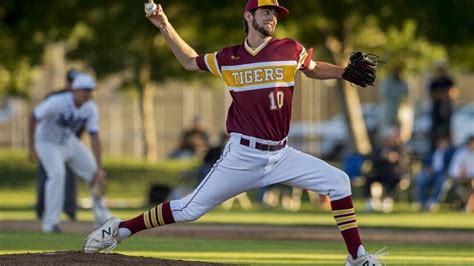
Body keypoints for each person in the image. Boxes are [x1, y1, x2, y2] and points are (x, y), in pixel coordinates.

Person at [83, 1, 384, 265]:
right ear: (248, 16)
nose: (272, 18)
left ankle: (357, 258)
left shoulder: (289, 48)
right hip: (242, 155)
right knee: (189, 210)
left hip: (281, 154)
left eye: (275, 13)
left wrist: (343, 71)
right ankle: (119, 229)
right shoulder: (230, 58)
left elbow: (313, 66)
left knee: (339, 181)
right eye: (265, 12)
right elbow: (190, 61)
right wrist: (164, 24)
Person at [28, 73, 111, 233]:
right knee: (57, 174)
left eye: (90, 90)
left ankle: (103, 219)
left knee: (95, 173)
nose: (88, 94)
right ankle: (50, 223)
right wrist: (31, 148)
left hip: (68, 141)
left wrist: (100, 168)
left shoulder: (91, 107)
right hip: (46, 141)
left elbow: (95, 136)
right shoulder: (57, 102)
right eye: (85, 90)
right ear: (74, 90)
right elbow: (33, 116)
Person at [36, 69, 81, 221]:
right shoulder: (54, 97)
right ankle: (42, 211)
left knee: (69, 179)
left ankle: (71, 212)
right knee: (49, 177)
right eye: (71, 82)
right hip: (49, 143)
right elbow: (39, 119)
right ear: (67, 82)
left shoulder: (82, 99)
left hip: (68, 144)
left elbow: (83, 124)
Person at [414, 135, 456, 211]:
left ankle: (433, 201)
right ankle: (421, 201)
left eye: (444, 143)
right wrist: (428, 169)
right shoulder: (432, 152)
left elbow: (451, 166)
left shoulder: (450, 154)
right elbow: (426, 163)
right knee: (421, 178)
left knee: (440, 180)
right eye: (441, 143)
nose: (443, 145)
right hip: (431, 172)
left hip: (442, 173)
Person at [428, 61, 458, 151]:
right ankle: (434, 149)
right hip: (436, 108)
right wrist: (444, 93)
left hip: (447, 107)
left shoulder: (449, 81)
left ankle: (447, 149)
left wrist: (441, 94)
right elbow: (432, 95)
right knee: (434, 130)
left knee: (447, 130)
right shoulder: (434, 82)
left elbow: (453, 93)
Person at [378, 62, 409, 131]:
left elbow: (406, 93)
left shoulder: (403, 82)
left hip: (401, 109)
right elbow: (385, 93)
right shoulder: (387, 82)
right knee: (389, 128)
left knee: (400, 128)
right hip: (390, 108)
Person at [447, 135, 474, 213]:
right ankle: (469, 206)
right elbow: (454, 170)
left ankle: (469, 207)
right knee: (461, 189)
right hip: (462, 180)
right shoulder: (460, 154)